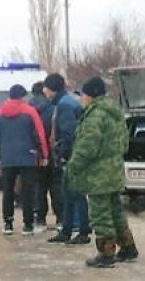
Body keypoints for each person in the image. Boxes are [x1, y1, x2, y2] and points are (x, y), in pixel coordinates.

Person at [66, 76, 138, 268]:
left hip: (98, 174)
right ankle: (128, 247)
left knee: (100, 213)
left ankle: (106, 253)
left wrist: (73, 166)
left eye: (83, 95)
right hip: (114, 170)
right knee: (115, 211)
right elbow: (124, 143)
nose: (82, 98)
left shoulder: (96, 115)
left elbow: (87, 147)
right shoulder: (115, 112)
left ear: (91, 95)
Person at [0, 84, 50, 236]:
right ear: (23, 96)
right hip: (27, 157)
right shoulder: (30, 111)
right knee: (27, 191)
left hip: (7, 158)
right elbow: (39, 134)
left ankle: (8, 223)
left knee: (8, 191)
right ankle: (28, 225)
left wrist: (0, 155)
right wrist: (44, 155)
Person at [43, 73, 92, 246]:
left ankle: (83, 231)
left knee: (76, 194)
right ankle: (67, 230)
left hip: (73, 156)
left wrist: (63, 155)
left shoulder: (64, 105)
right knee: (68, 194)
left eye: (46, 88)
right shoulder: (69, 101)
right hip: (75, 154)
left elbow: (68, 133)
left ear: (51, 89)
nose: (44, 91)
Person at [29, 80, 58, 232]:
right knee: (55, 186)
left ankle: (39, 219)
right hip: (52, 153)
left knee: (38, 187)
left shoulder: (27, 109)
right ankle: (60, 218)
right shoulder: (53, 108)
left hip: (33, 154)